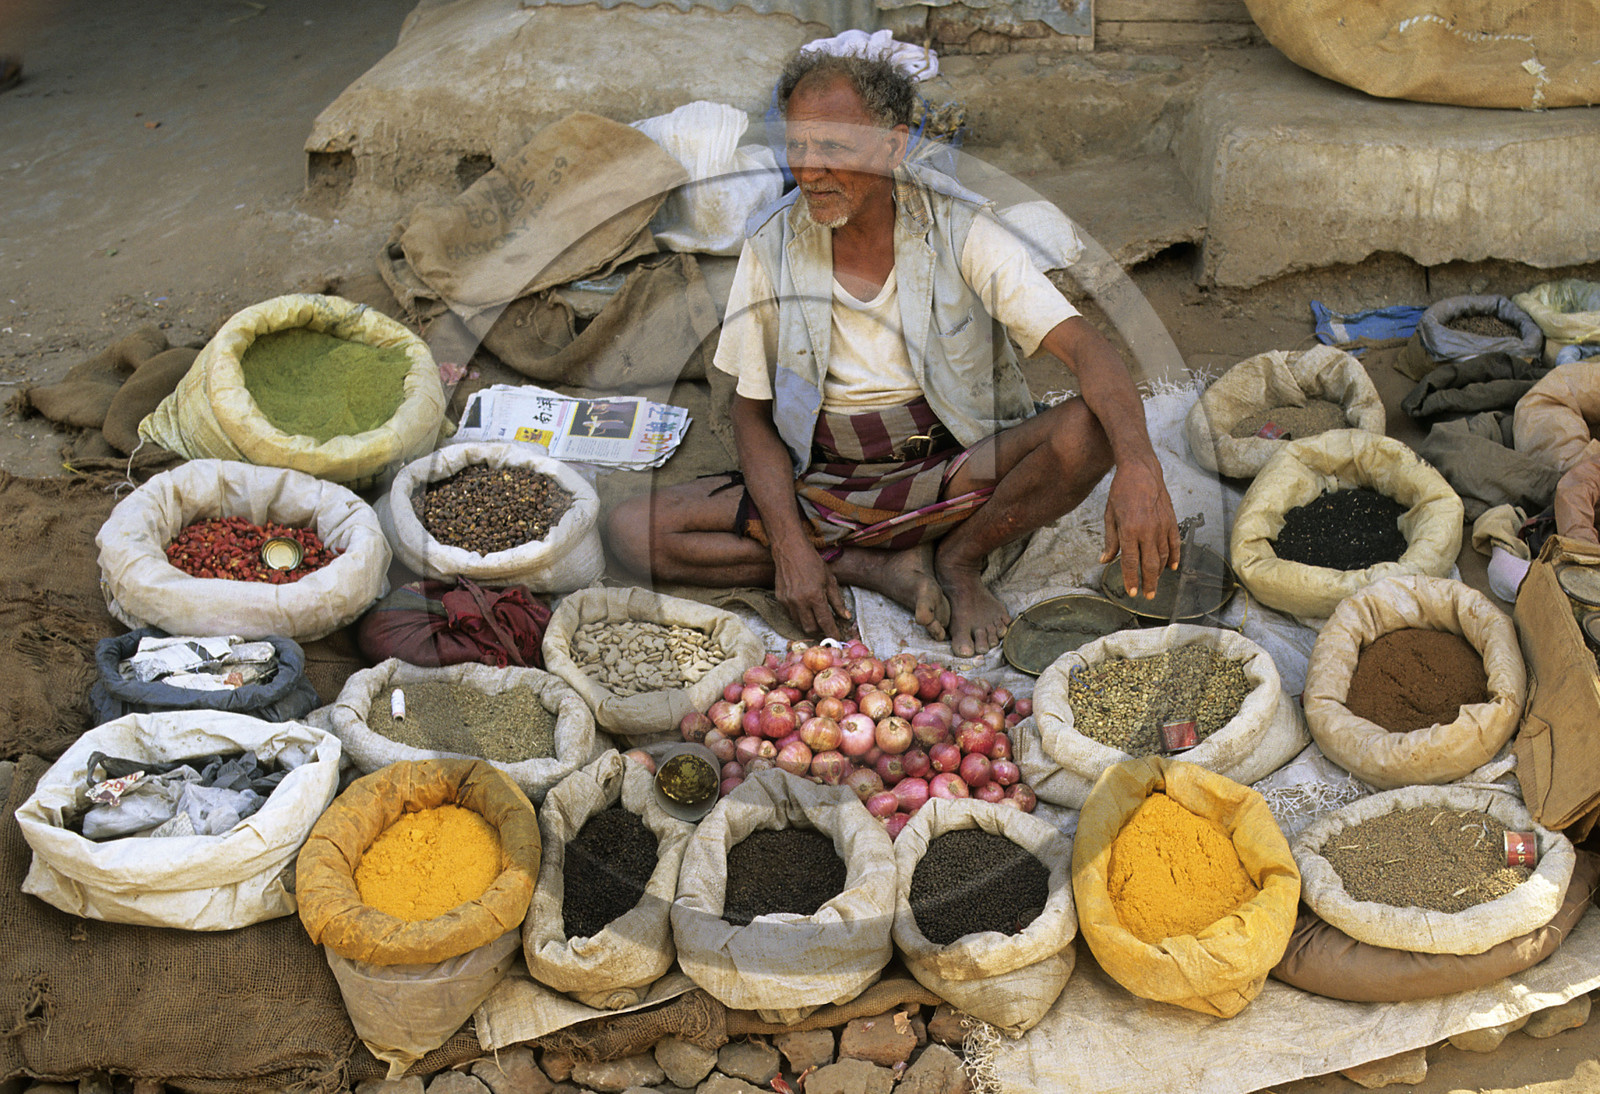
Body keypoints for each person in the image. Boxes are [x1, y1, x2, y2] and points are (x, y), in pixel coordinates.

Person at [606, 49, 1180, 657]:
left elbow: (1088, 347)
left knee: (1092, 431)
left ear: (892, 147)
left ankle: (960, 558)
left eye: (834, 147)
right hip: (826, 477)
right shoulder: (772, 244)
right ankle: (870, 567)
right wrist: (792, 549)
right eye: (797, 146)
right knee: (633, 532)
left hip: (960, 464)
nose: (810, 170)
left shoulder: (961, 229)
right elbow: (750, 412)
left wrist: (1141, 465)